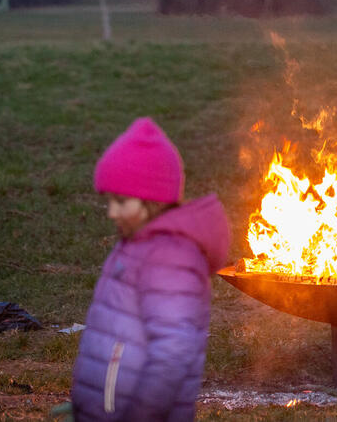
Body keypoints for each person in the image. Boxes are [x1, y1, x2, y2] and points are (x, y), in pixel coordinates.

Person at [69, 117, 230, 421]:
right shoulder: (136, 243)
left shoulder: (170, 257)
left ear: (152, 202)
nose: (111, 212)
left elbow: (172, 353)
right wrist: (88, 405)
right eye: (108, 200)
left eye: (121, 202)